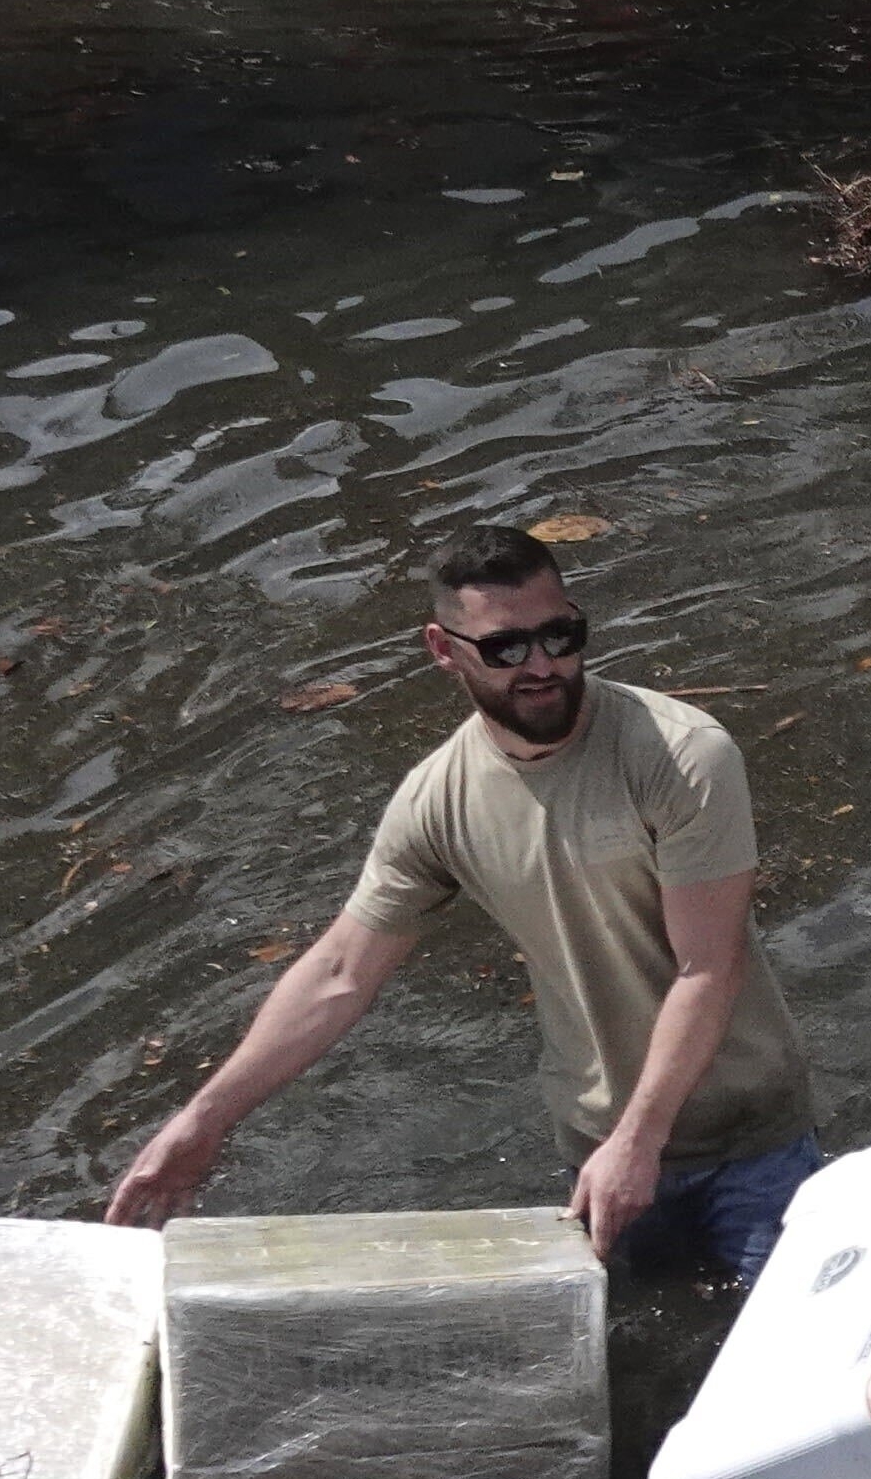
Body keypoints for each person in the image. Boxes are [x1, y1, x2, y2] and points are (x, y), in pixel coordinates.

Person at [106, 526, 822, 1278]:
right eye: (506, 648)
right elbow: (342, 971)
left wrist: (638, 1142)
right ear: (444, 649)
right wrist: (203, 1121)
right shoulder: (437, 800)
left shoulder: (681, 755)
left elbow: (705, 967)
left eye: (560, 635)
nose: (543, 665)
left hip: (751, 1140)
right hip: (597, 1145)